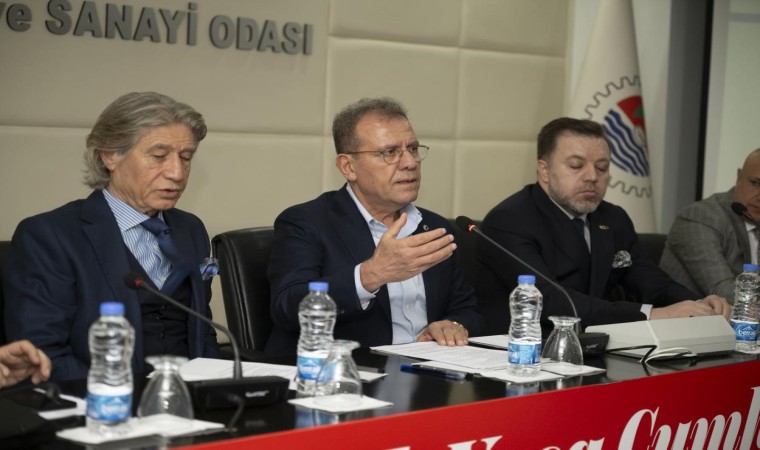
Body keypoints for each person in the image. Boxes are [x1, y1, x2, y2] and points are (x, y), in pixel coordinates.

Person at [3, 92, 219, 381]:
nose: (177, 173)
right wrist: (120, 392)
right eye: (158, 156)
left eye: (186, 157)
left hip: (191, 394)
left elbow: (202, 331)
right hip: (103, 397)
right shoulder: (50, 236)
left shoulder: (190, 228)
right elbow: (43, 354)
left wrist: (221, 386)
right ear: (110, 155)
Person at [265, 97, 483, 356]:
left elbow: (468, 308)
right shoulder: (306, 222)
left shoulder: (433, 227)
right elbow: (288, 308)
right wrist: (371, 275)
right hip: (348, 372)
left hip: (430, 369)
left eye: (413, 149)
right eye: (389, 152)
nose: (410, 163)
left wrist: (453, 325)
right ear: (348, 167)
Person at [474, 117, 730, 336]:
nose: (592, 176)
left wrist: (698, 304)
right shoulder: (510, 220)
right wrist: (653, 315)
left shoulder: (613, 218)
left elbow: (651, 281)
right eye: (576, 166)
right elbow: (551, 301)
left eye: (602, 167)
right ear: (544, 171)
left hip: (596, 344)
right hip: (523, 351)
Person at [660, 148, 760, 305]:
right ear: (739, 177)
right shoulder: (700, 218)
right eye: (755, 183)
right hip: (691, 319)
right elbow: (725, 292)